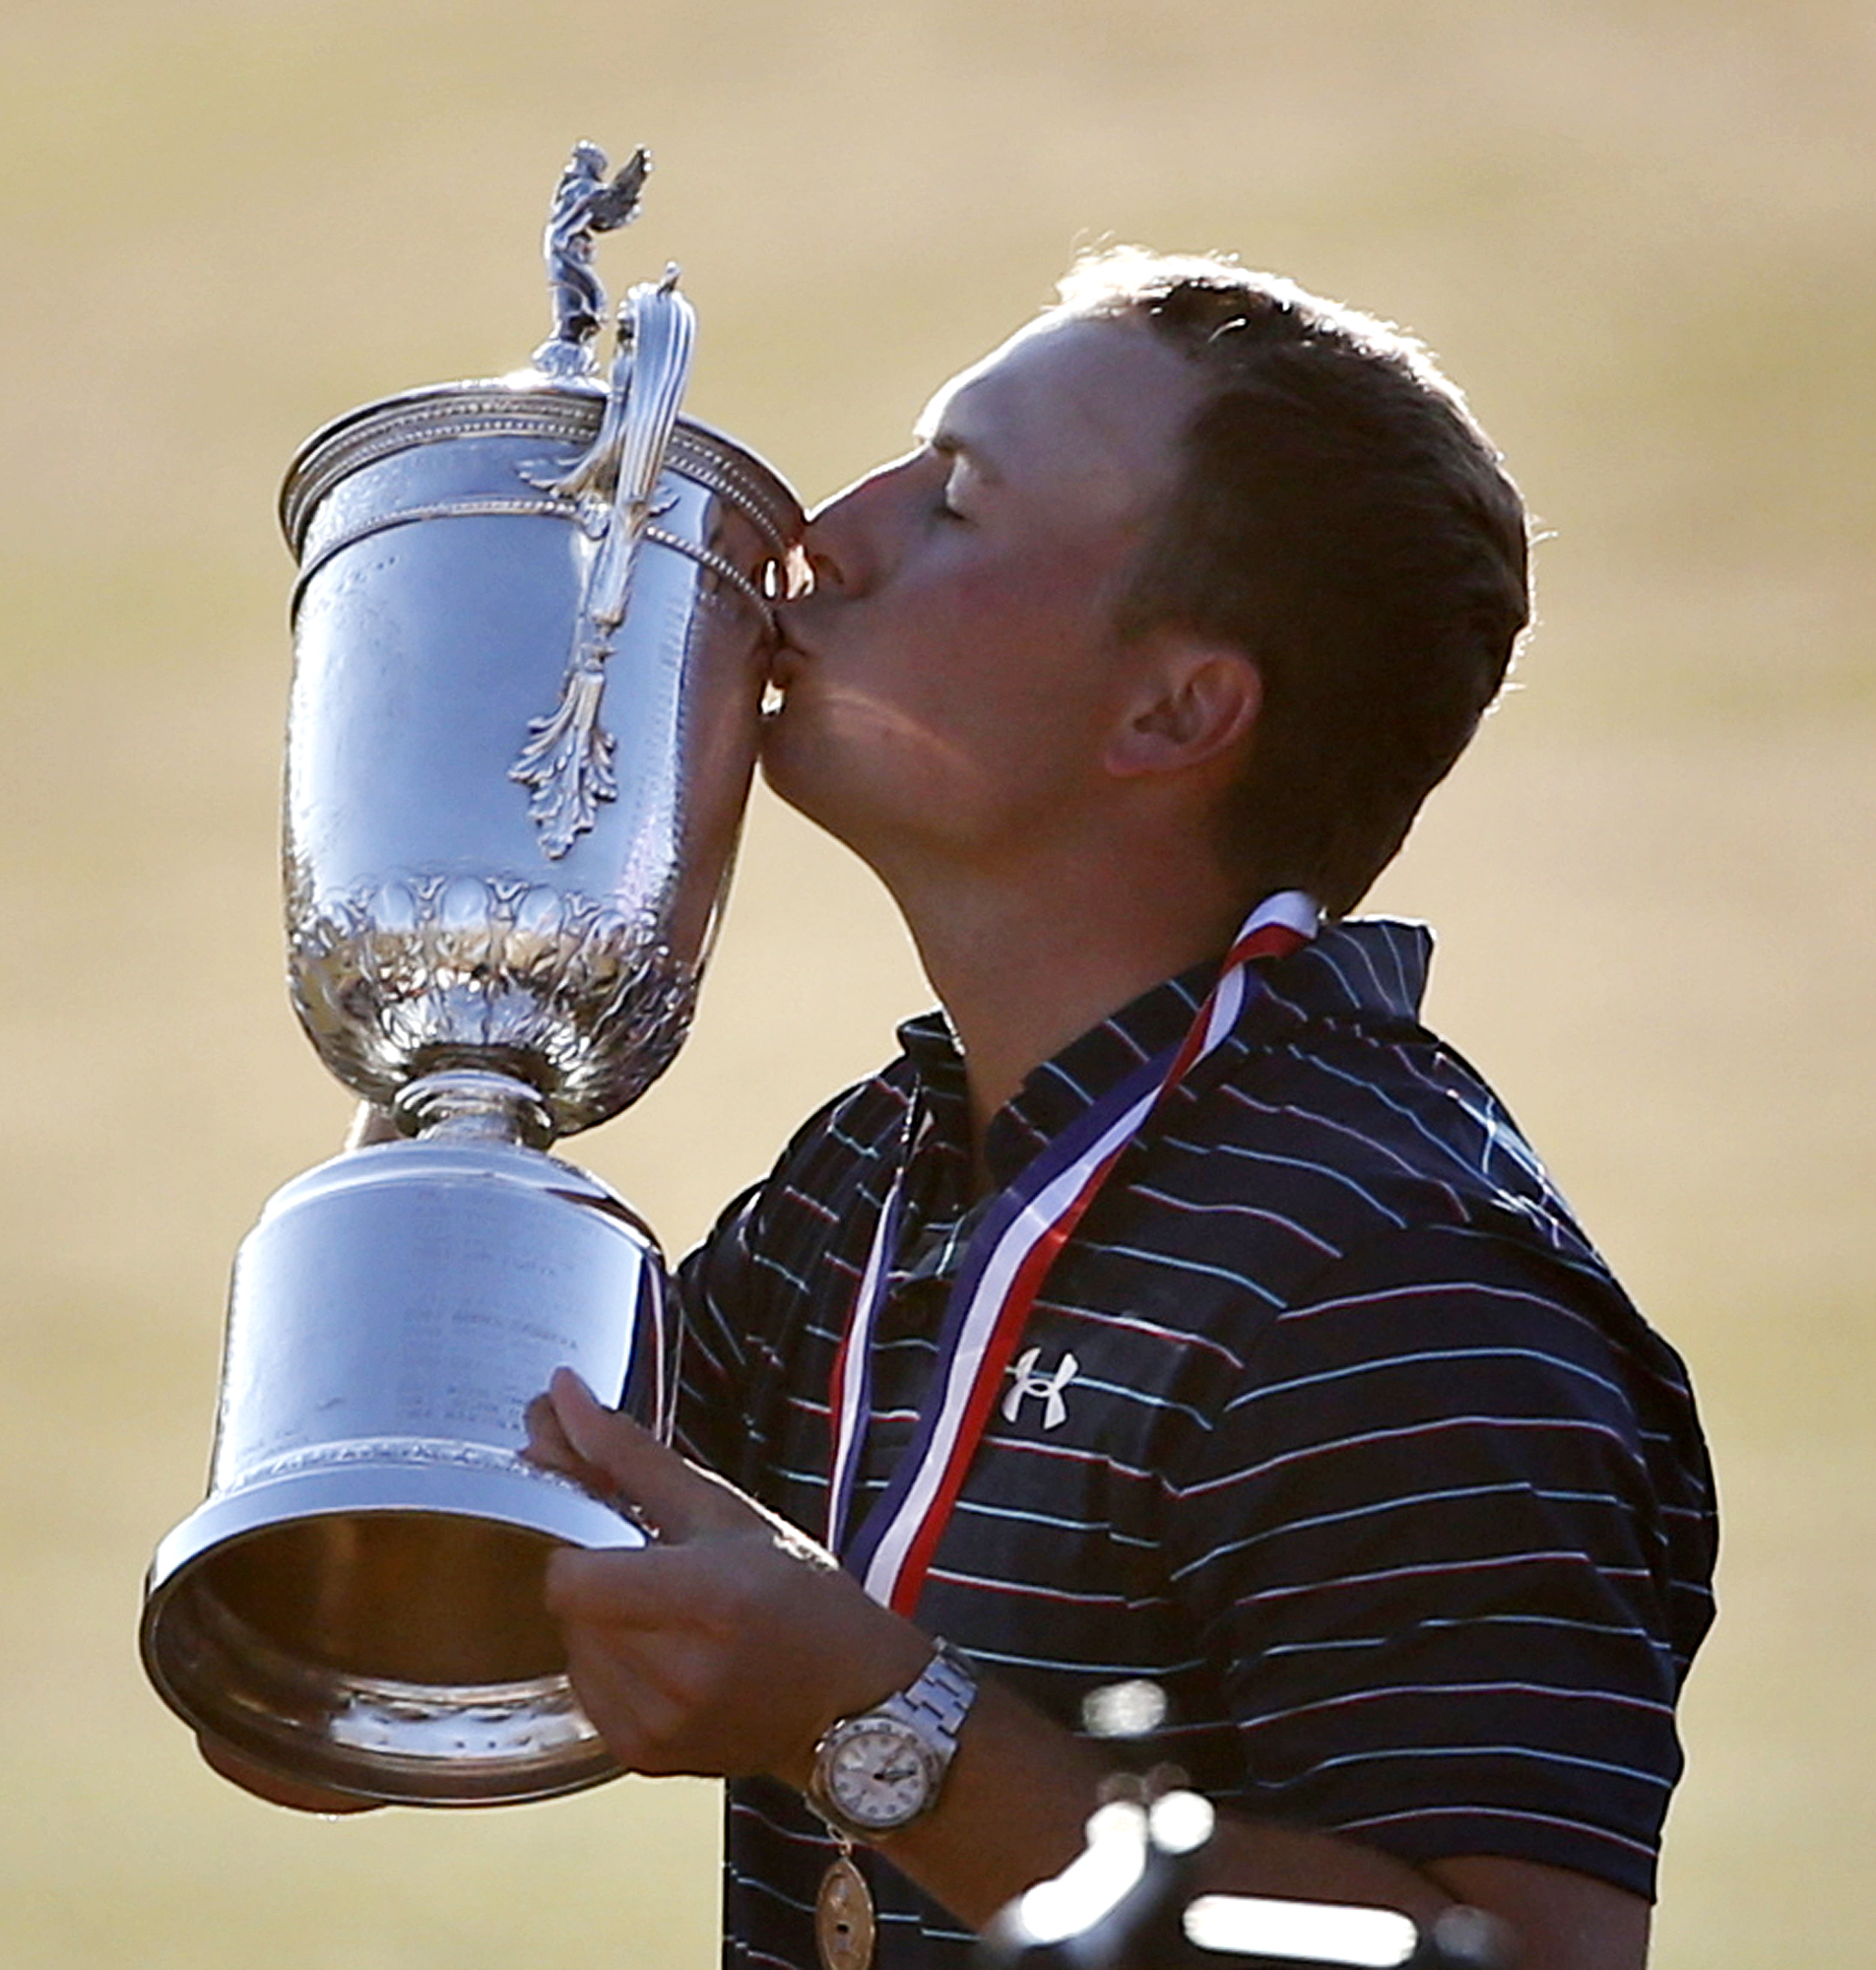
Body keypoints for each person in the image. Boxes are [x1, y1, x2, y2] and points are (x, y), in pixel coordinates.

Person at [223, 249, 1718, 1970]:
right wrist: (466, 936)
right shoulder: (876, 1182)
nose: (820, 540)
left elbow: (1523, 1957)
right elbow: (354, 1669)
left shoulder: (1393, 1293)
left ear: (1173, 709)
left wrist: (885, 1730)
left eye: (950, 498)